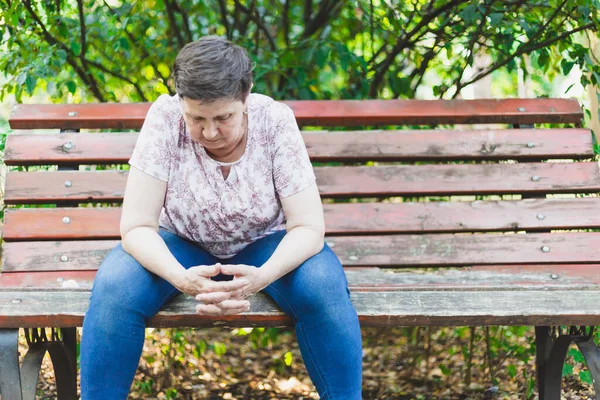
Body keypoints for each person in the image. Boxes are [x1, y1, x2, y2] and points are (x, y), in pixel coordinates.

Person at [80, 35, 363, 399]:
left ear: (246, 97)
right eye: (196, 118)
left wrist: (262, 277)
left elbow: (308, 228)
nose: (209, 132)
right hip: (181, 245)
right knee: (115, 285)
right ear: (180, 102)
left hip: (267, 246)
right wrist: (180, 278)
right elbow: (136, 227)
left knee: (323, 284)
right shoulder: (164, 118)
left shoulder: (275, 120)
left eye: (223, 117)